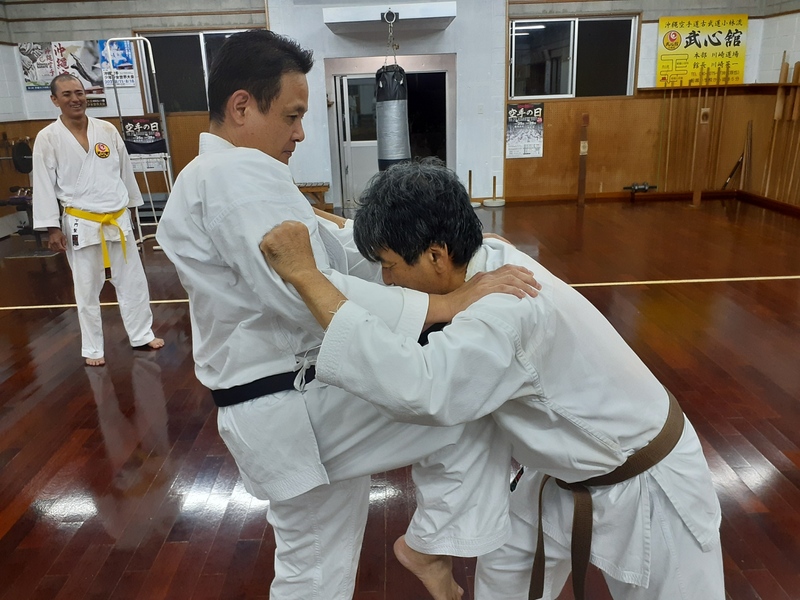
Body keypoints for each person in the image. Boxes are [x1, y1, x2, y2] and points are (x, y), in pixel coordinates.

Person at [155, 30, 539, 600]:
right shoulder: (234, 178)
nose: (299, 132)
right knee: (466, 403)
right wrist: (442, 303)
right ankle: (431, 547)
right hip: (290, 404)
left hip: (294, 399)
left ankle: (432, 546)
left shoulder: (229, 176)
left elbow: (331, 257)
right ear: (241, 106)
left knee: (315, 566)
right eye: (291, 115)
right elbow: (304, 293)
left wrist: (453, 242)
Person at [259, 159, 725, 600]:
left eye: (388, 264)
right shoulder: (483, 255)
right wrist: (312, 215)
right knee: (503, 580)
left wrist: (306, 275)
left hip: (645, 483)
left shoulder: (503, 314)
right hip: (558, 476)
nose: (385, 279)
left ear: (437, 256)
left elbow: (420, 389)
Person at [32, 73, 164, 367]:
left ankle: (141, 334)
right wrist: (52, 227)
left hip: (117, 217)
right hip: (80, 221)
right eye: (66, 94)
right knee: (86, 287)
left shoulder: (106, 130)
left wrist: (131, 206)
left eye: (79, 92)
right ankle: (93, 348)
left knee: (133, 282)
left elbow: (124, 172)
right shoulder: (48, 138)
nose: (75, 98)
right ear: (54, 100)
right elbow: (42, 182)